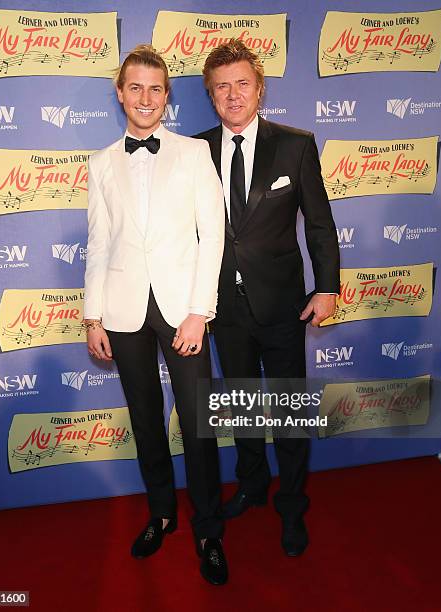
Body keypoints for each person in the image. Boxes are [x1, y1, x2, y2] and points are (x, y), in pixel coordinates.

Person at [83, 45, 227, 585]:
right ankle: (161, 513)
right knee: (145, 421)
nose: (145, 98)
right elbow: (98, 244)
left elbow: (212, 236)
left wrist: (198, 312)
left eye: (156, 89)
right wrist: (93, 317)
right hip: (122, 313)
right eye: (135, 88)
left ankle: (209, 529)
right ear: (120, 93)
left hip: (181, 309)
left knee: (198, 424)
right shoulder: (100, 163)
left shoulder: (192, 155)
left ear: (167, 96)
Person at [195, 40, 340, 556]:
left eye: (241, 84)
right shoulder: (194, 151)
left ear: (260, 89)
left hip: (282, 306)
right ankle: (253, 486)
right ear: (211, 95)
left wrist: (326, 288)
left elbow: (320, 225)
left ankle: (293, 506)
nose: (232, 95)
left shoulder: (295, 145)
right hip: (223, 311)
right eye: (221, 87)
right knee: (242, 408)